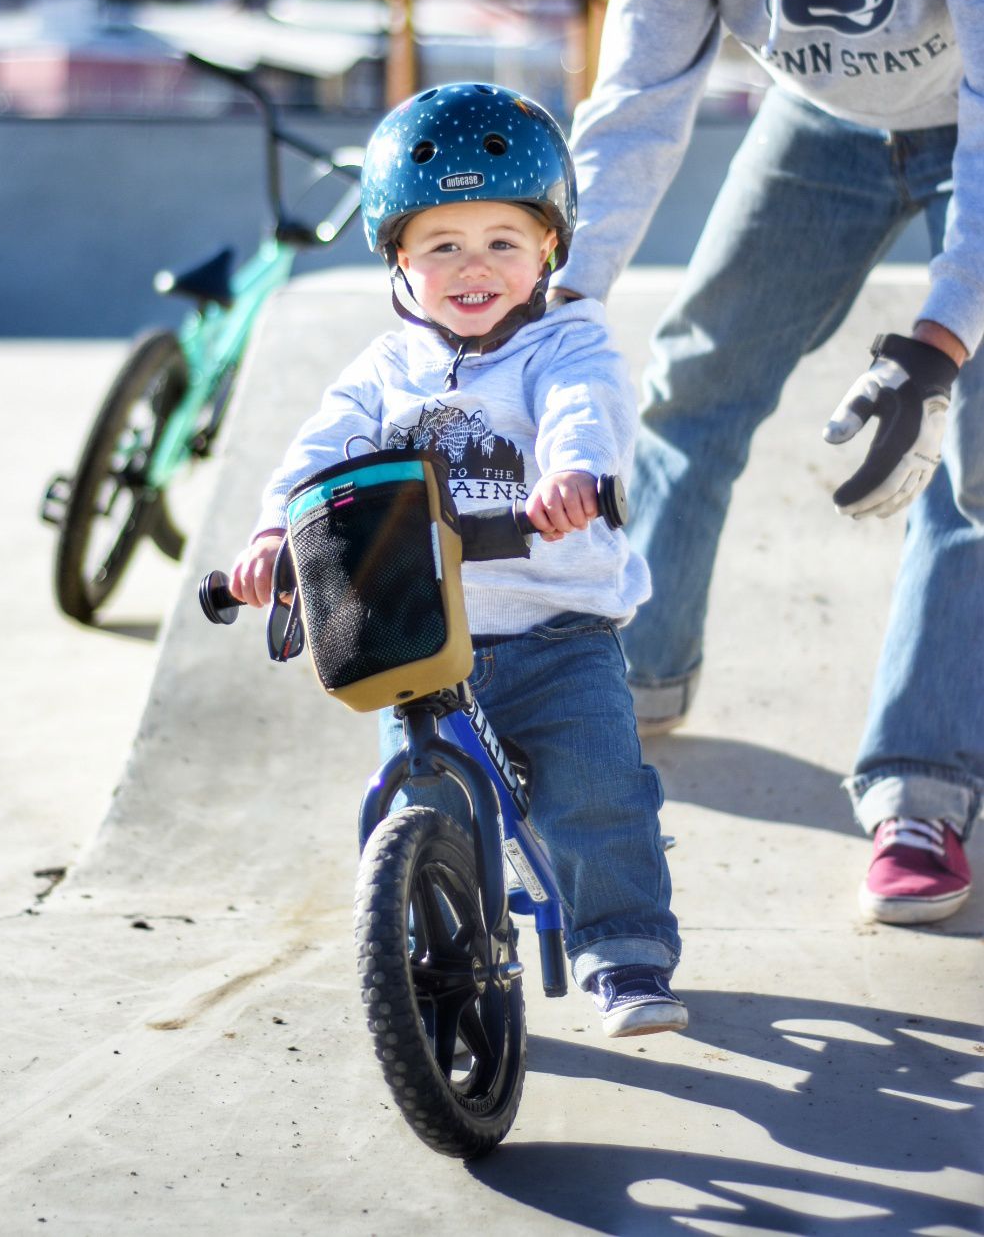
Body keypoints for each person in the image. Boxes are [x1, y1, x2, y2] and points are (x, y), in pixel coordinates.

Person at [550, 0, 982, 926]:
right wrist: (554, 312)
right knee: (696, 372)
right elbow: (634, 107)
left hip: (971, 120)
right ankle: (645, 665)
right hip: (823, 123)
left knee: (971, 455)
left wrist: (937, 347)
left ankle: (924, 786)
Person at [230, 81, 687, 1037]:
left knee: (596, 795)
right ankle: (444, 970)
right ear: (398, 259)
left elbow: (582, 410)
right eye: (443, 246)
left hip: (559, 630)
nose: (474, 267)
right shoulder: (384, 369)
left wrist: (571, 475)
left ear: (549, 250)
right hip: (425, 641)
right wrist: (276, 531)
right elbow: (319, 450)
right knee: (424, 805)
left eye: (502, 243)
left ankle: (625, 955)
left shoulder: (567, 340)